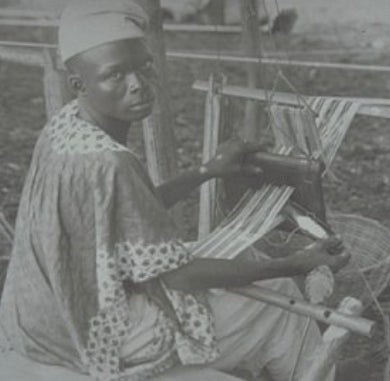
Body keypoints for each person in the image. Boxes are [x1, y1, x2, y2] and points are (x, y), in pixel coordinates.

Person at [0, 1, 349, 380]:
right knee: (280, 294)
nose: (137, 84)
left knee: (246, 276)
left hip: (42, 318)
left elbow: (128, 210)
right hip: (94, 333)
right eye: (115, 75)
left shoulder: (62, 131)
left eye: (143, 66)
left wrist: (206, 171)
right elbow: (176, 277)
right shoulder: (111, 161)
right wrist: (296, 264)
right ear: (78, 84)